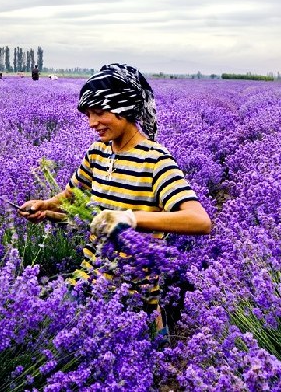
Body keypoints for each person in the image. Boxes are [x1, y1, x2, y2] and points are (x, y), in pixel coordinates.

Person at [19, 63, 212, 333]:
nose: (92, 122)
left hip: (134, 294)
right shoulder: (98, 153)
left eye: (100, 112)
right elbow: (73, 194)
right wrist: (46, 207)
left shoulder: (155, 161)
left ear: (126, 109)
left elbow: (199, 221)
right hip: (88, 280)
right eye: (88, 114)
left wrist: (128, 218)